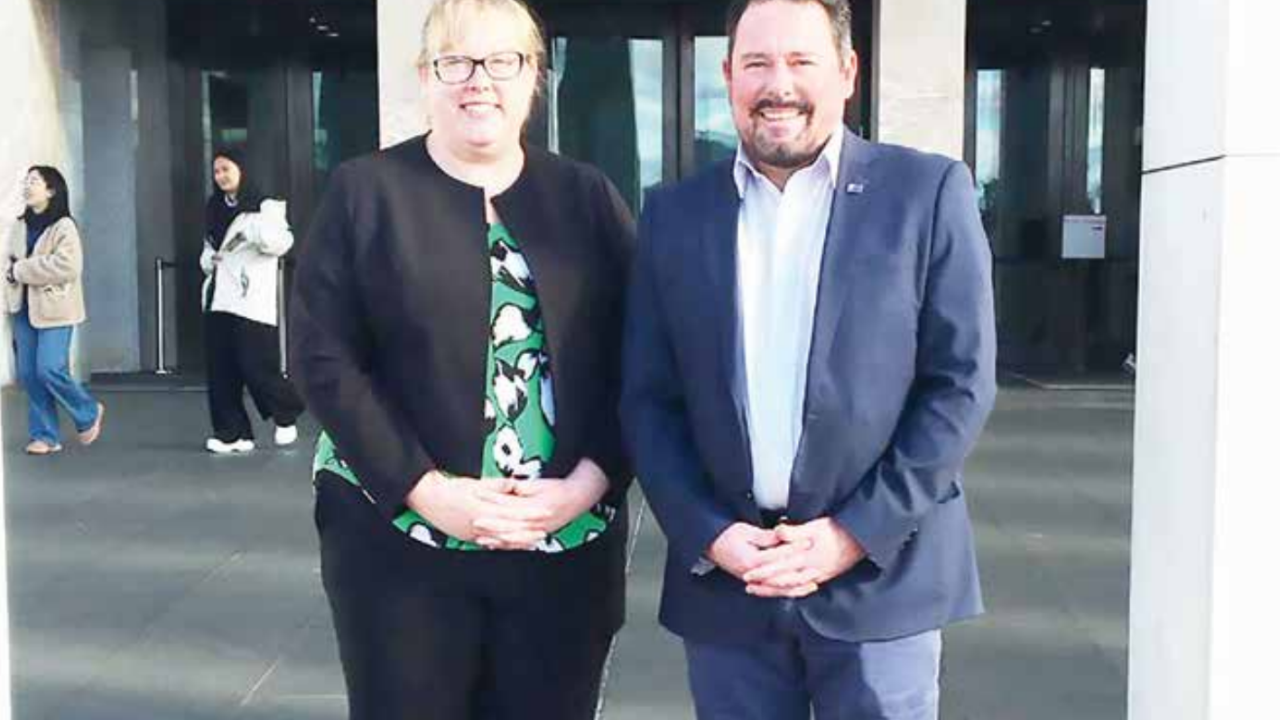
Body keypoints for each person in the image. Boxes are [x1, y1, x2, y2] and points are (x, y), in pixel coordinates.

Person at [621, 1, 997, 718]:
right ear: (728, 76)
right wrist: (711, 533)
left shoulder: (927, 194)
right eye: (757, 63)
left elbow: (960, 386)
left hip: (882, 578)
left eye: (801, 61)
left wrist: (853, 534)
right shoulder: (673, 214)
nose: (778, 84)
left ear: (847, 71)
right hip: (731, 583)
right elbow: (649, 399)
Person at [288, 1, 634, 718]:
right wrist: (425, 489)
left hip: (563, 537)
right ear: (426, 76)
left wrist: (586, 484)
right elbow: (321, 355)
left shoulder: (587, 197)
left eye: (502, 61)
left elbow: (643, 360)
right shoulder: (366, 192)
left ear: (535, 76)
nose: (479, 81)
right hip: (399, 537)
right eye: (456, 62)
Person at [200, 149, 304, 453]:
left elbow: (282, 243)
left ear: (242, 169)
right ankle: (233, 433)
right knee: (221, 368)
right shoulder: (214, 207)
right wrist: (210, 260)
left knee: (256, 363)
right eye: (216, 171)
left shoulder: (265, 206)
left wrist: (255, 228)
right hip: (219, 296)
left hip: (250, 299)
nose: (221, 177)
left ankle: (286, 413)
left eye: (226, 169)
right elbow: (207, 247)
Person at [4, 166, 105, 456]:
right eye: (26, 181)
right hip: (22, 307)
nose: (27, 186)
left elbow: (67, 267)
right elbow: (7, 263)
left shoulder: (64, 226)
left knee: (49, 368)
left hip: (56, 310)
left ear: (51, 190)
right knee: (28, 374)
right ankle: (46, 436)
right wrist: (12, 277)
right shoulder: (19, 225)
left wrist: (20, 270)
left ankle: (88, 410)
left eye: (34, 182)